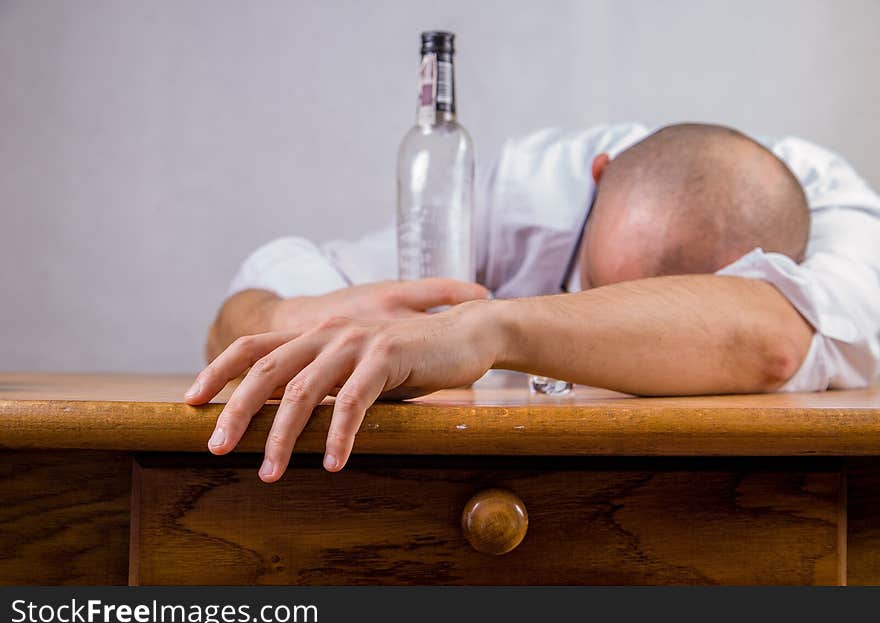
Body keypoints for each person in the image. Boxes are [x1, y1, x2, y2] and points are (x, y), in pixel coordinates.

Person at [186, 122, 880, 483]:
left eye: (654, 310)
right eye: (594, 286)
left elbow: (772, 344)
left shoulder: (840, 212)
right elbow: (254, 298)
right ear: (597, 178)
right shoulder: (526, 189)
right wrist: (285, 320)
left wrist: (484, 332)